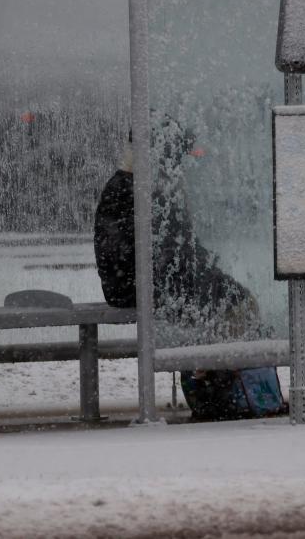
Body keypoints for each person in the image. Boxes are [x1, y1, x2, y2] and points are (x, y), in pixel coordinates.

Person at [94, 120, 274, 420]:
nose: (178, 165)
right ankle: (216, 389)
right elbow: (171, 252)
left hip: (141, 282)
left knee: (232, 303)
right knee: (238, 305)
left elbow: (175, 249)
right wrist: (204, 272)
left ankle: (213, 383)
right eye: (174, 156)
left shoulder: (131, 185)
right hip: (140, 286)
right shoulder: (136, 190)